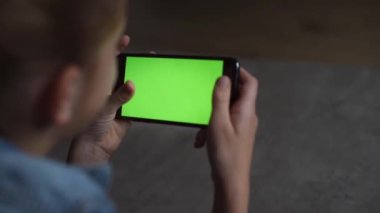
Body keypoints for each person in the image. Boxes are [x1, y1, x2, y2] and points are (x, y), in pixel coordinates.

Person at [0, 0, 259, 212]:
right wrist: (233, 184)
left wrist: (91, 152)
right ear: (66, 91)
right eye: (111, 52)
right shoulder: (71, 202)